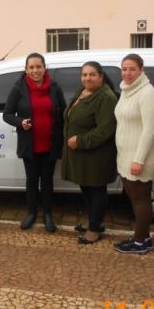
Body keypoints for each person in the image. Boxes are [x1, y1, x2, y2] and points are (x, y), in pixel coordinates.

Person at [3, 52, 65, 233]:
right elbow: (7, 114)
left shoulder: (54, 87)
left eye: (39, 66)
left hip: (50, 143)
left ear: (45, 68)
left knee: (47, 181)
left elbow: (63, 112)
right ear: (26, 70)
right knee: (31, 181)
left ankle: (47, 215)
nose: (35, 70)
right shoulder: (18, 88)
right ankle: (31, 213)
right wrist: (20, 122)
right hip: (29, 144)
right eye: (31, 67)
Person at [61, 61, 118, 244]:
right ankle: (94, 222)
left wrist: (81, 140)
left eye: (92, 74)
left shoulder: (106, 97)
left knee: (96, 191)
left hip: (97, 155)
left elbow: (105, 130)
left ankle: (94, 230)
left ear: (101, 77)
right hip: (83, 155)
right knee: (86, 189)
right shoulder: (83, 92)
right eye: (84, 74)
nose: (88, 78)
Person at [113, 53, 154, 254]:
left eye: (132, 69)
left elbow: (149, 130)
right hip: (126, 156)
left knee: (141, 200)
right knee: (134, 199)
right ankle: (143, 237)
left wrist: (139, 159)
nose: (127, 73)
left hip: (140, 157)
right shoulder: (126, 90)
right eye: (124, 69)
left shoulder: (147, 93)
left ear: (141, 70)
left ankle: (140, 242)